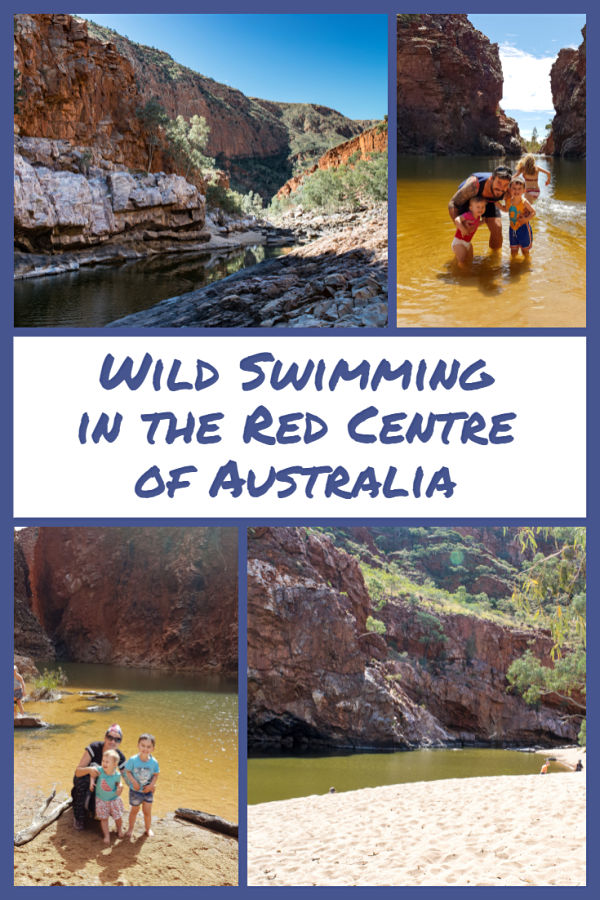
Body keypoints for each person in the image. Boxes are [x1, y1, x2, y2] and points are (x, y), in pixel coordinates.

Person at [71, 724, 126, 831]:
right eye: (110, 737)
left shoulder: (119, 757)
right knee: (93, 768)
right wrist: (90, 770)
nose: (113, 741)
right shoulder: (94, 747)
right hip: (84, 781)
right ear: (105, 737)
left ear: (120, 742)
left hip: (100, 788)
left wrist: (122, 785)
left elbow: (126, 777)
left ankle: (92, 810)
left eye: (117, 739)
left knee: (111, 791)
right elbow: (78, 772)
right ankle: (78, 817)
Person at [448, 166, 513, 250]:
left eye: (505, 185)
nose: (501, 188)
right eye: (499, 183)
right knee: (465, 229)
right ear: (491, 179)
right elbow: (453, 204)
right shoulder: (474, 185)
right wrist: (460, 227)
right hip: (468, 199)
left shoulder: (508, 192)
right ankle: (462, 254)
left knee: (497, 228)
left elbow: (508, 208)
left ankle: (494, 258)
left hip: (489, 201)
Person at [76, 748, 125, 844]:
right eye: (103, 761)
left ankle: (119, 829)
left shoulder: (117, 774)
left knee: (118, 817)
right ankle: (106, 835)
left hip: (113, 799)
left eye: (107, 762)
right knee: (103, 818)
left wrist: (120, 786)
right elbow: (92, 773)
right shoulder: (100, 770)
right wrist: (92, 782)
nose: (104, 763)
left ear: (115, 765)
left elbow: (118, 783)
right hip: (101, 800)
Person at [124, 733, 160, 838]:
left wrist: (151, 786)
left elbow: (156, 775)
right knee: (134, 810)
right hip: (135, 791)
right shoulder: (133, 760)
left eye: (148, 746)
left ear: (153, 748)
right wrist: (133, 782)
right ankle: (130, 828)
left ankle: (148, 829)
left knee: (147, 811)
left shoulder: (154, 762)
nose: (145, 748)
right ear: (138, 745)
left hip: (147, 791)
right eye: (143, 745)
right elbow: (128, 771)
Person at [501, 174, 536, 258]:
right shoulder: (509, 201)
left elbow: (533, 212)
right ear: (510, 189)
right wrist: (496, 203)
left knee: (525, 251)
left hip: (523, 228)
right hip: (512, 229)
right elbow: (506, 209)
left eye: (519, 189)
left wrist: (526, 219)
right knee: (513, 251)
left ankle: (527, 266)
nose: (516, 191)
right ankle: (513, 267)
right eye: (514, 188)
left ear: (524, 190)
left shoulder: (524, 202)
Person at [451, 196, 487, 268]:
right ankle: (464, 275)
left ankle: (457, 266)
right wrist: (462, 229)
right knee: (462, 260)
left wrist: (482, 222)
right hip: (459, 242)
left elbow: (476, 224)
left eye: (483, 207)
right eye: (478, 207)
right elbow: (457, 219)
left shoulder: (477, 217)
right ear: (471, 208)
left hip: (468, 243)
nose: (481, 209)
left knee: (470, 260)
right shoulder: (468, 215)